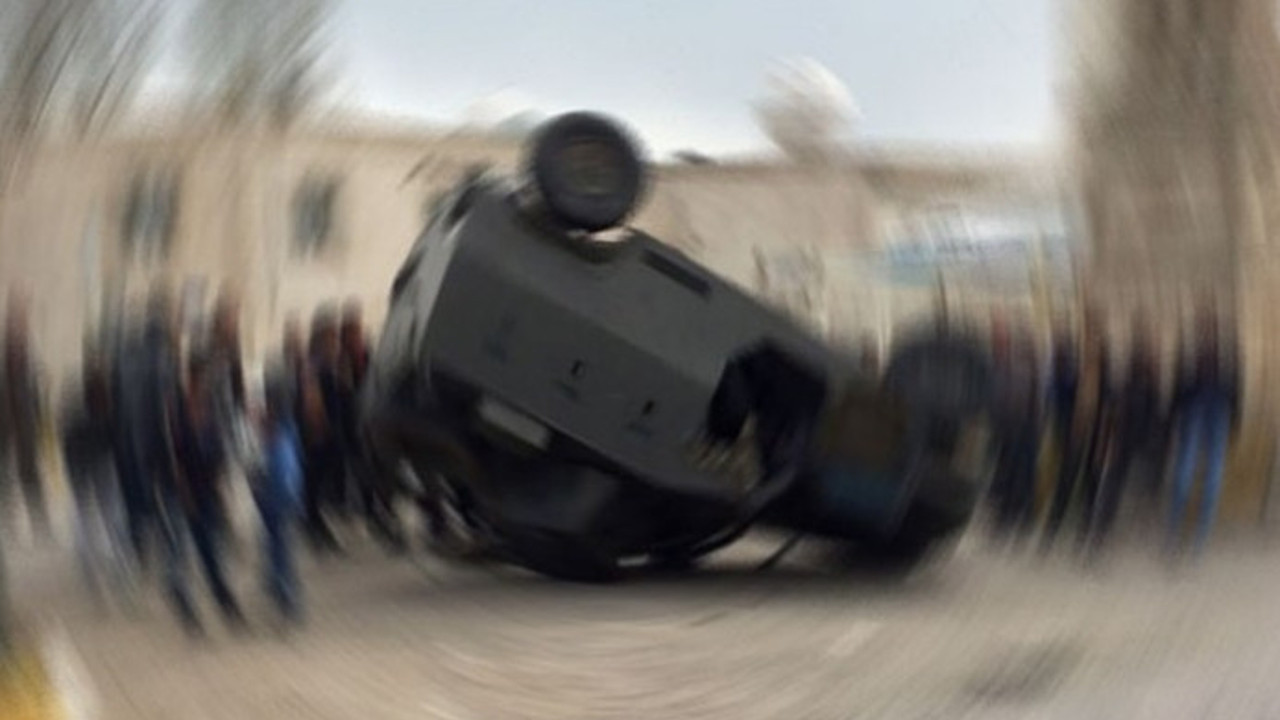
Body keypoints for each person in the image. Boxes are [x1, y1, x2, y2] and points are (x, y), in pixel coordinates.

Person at [165, 352, 246, 636]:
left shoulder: (210, 409)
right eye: (200, 379)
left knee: (209, 550)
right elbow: (173, 455)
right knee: (182, 552)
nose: (204, 384)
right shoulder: (176, 409)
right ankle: (187, 607)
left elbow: (219, 448)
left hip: (207, 490)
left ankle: (225, 602)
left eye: (206, 379)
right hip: (183, 493)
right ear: (190, 378)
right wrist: (183, 491)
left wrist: (221, 487)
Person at [60, 339, 131, 603]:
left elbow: (67, 436)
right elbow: (114, 436)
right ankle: (107, 564)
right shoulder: (105, 402)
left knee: (93, 515)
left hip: (91, 464)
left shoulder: (82, 400)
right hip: (97, 464)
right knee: (102, 514)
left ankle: (99, 565)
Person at [1085, 319, 1162, 554]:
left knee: (1123, 484)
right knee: (1115, 485)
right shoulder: (1133, 377)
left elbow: (1154, 412)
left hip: (1134, 437)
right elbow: (1118, 406)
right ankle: (1101, 533)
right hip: (1127, 436)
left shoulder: (1142, 378)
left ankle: (1103, 532)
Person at [1167, 309, 1239, 557]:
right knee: (1188, 473)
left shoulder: (1225, 351)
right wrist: (1174, 416)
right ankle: (1179, 533)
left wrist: (1234, 421)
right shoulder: (1192, 350)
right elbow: (1178, 384)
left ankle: (1194, 538)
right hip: (1199, 408)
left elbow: (1236, 384)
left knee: (1208, 476)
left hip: (1213, 408)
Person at [253, 380, 306, 626]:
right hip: (278, 496)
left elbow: (277, 468)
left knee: (278, 545)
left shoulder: (276, 432)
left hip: (274, 496)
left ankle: (284, 591)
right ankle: (281, 588)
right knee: (279, 544)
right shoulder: (286, 430)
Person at [987, 317, 1043, 542]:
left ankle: (1022, 515)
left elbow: (1033, 400)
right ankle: (1006, 515)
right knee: (1005, 473)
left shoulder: (1024, 369)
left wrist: (1032, 423)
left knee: (1021, 472)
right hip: (1003, 427)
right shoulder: (994, 365)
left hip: (1022, 426)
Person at [1, 293, 49, 541]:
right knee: (4, 476)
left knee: (30, 475)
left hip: (25, 426)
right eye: (19, 321)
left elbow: (35, 390)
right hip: (5, 426)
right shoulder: (5, 354)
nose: (23, 326)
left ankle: (40, 522)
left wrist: (38, 417)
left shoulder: (29, 355)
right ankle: (7, 523)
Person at [301, 306, 344, 555]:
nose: (335, 339)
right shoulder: (315, 363)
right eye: (331, 334)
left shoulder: (329, 361)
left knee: (318, 479)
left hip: (327, 428)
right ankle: (313, 525)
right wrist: (319, 426)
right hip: (318, 431)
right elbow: (312, 397)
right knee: (314, 479)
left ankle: (315, 523)